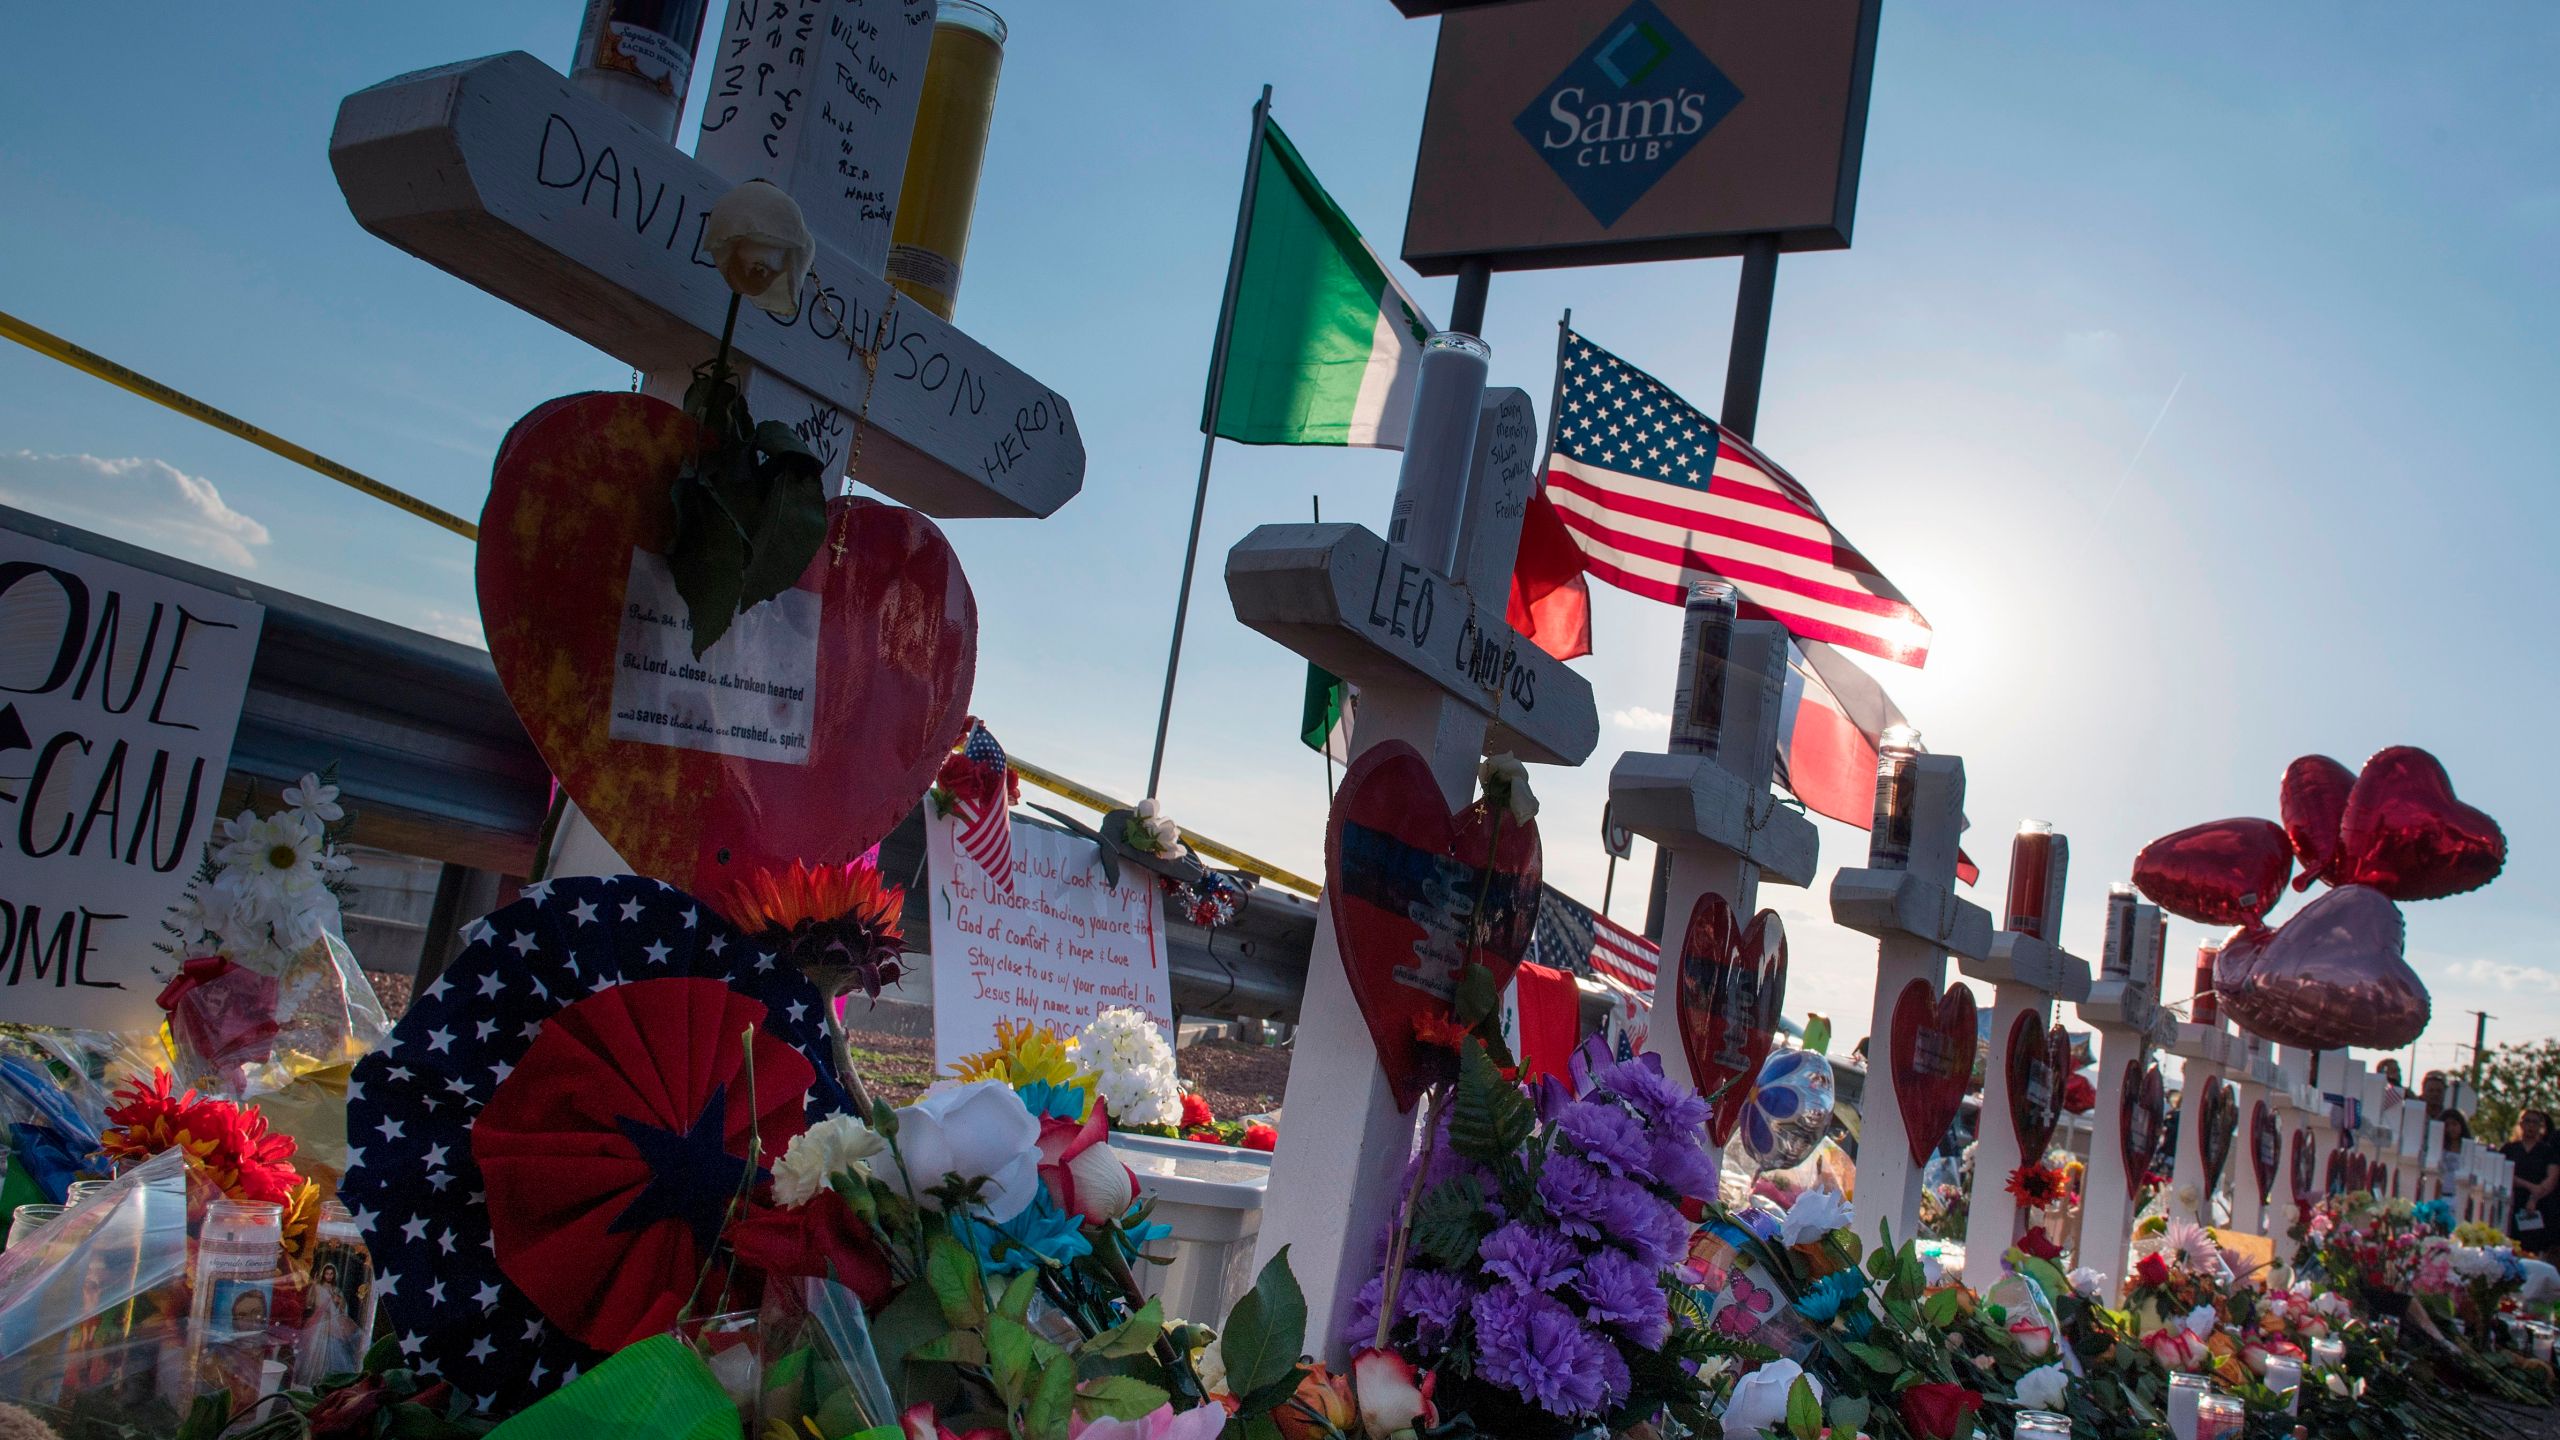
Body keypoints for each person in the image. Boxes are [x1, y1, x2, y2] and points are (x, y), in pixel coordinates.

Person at [2502, 1109, 2559, 1252]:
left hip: (2537, 1206)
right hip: (2512, 1202)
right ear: (2521, 1124)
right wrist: (2529, 1186)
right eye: (2527, 1121)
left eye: (2535, 1122)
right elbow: (2504, 1173)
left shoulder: (2548, 1151)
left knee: (2533, 1249)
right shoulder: (2509, 1149)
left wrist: (2534, 1197)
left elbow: (2552, 1178)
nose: (2531, 1126)